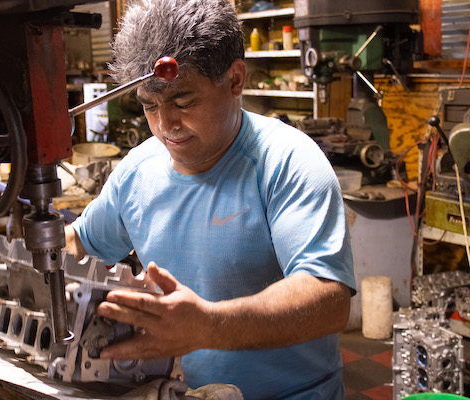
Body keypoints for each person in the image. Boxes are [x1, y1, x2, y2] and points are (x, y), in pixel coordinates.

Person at [65, 0, 356, 398]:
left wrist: (207, 326)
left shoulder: (288, 163)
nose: (165, 125)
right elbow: (76, 248)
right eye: (150, 106)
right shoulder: (137, 172)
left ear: (235, 79)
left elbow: (328, 299)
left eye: (183, 102)